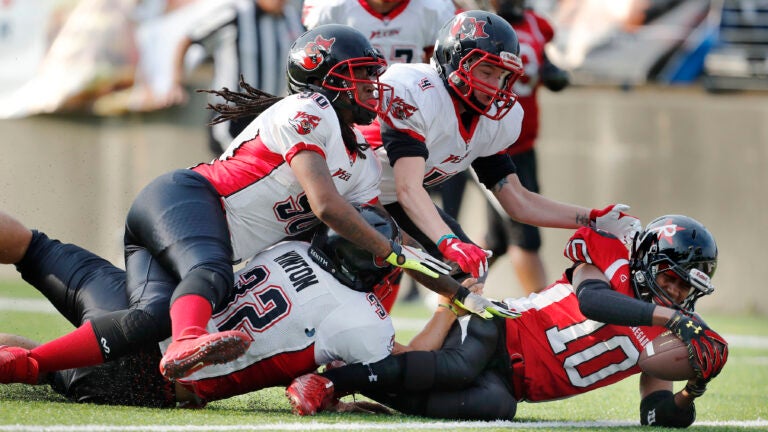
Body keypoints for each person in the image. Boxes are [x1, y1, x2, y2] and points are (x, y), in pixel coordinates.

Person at [0, 24, 463, 386]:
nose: (372, 85)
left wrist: (448, 283)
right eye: (362, 74)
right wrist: (396, 254)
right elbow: (326, 207)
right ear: (327, 78)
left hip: (185, 235)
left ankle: (27, 363)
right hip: (186, 199)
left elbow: (379, 230)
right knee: (212, 277)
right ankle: (188, 340)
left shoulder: (361, 161)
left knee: (150, 320)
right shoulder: (309, 110)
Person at [0, 205, 510, 405]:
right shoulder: (358, 320)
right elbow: (402, 367)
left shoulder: (289, 247)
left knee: (34, 245)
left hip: (151, 305)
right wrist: (451, 307)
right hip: (153, 373)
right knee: (37, 361)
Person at [286, 214, 729, 428]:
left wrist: (693, 388)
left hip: (514, 385)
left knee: (495, 411)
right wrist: (670, 316)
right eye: (671, 280)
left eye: (686, 289)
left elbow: (654, 416)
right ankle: (334, 382)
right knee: (457, 366)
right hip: (498, 326)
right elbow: (594, 302)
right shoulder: (608, 260)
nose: (677, 294)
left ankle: (367, 388)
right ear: (648, 261)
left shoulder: (669, 328)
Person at [357, 10, 642, 283]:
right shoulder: (417, 91)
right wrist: (449, 242)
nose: (495, 86)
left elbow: (518, 200)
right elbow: (408, 188)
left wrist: (592, 219)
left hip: (388, 196)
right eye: (486, 72)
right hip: (347, 189)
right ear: (452, 60)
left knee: (467, 275)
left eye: (502, 76)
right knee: (368, 267)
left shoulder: (492, 121)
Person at [302, 0, 458, 303]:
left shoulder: (433, 10)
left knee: (387, 231)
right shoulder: (331, 7)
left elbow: (440, 76)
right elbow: (309, 67)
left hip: (399, 131)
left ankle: (379, 319)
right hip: (339, 126)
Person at [479, 0, 571, 295]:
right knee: (525, 233)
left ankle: (449, 287)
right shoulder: (475, 25)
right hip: (489, 145)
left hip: (524, 146)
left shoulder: (536, 25)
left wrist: (549, 69)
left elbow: (542, 62)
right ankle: (543, 311)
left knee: (497, 240)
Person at [163, 0, 306, 155]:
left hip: (270, 117)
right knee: (241, 167)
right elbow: (189, 38)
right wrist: (176, 82)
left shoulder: (294, 18)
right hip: (232, 116)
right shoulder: (233, 14)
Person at [302, 0, 456, 65]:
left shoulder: (435, 9)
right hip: (349, 107)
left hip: (410, 105)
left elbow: (440, 72)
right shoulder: (329, 8)